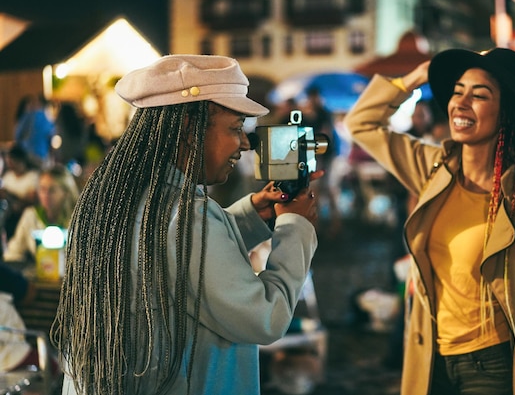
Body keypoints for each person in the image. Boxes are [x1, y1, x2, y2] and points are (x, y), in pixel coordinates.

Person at [344, 47, 515, 395]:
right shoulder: (435, 168)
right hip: (431, 359)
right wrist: (415, 79)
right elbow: (361, 124)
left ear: (505, 112)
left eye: (478, 95)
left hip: (493, 366)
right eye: (457, 91)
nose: (460, 103)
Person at [51, 55, 321, 395]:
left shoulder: (117, 199)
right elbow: (265, 317)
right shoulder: (184, 216)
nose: (245, 144)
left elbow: (173, 260)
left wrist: (250, 216)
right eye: (235, 128)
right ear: (190, 131)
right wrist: (295, 227)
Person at [3, 164, 79, 273]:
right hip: (41, 280)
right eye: (42, 189)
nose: (46, 195)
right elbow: (14, 251)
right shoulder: (31, 216)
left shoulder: (77, 220)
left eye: (52, 190)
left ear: (65, 193)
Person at [0, 144, 40, 246]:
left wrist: (11, 195)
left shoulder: (32, 176)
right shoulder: (8, 177)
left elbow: (32, 198)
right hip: (9, 213)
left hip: (24, 214)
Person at [13, 94, 56, 166]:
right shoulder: (48, 118)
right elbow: (52, 137)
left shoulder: (27, 116)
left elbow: (17, 135)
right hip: (42, 155)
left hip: (26, 154)